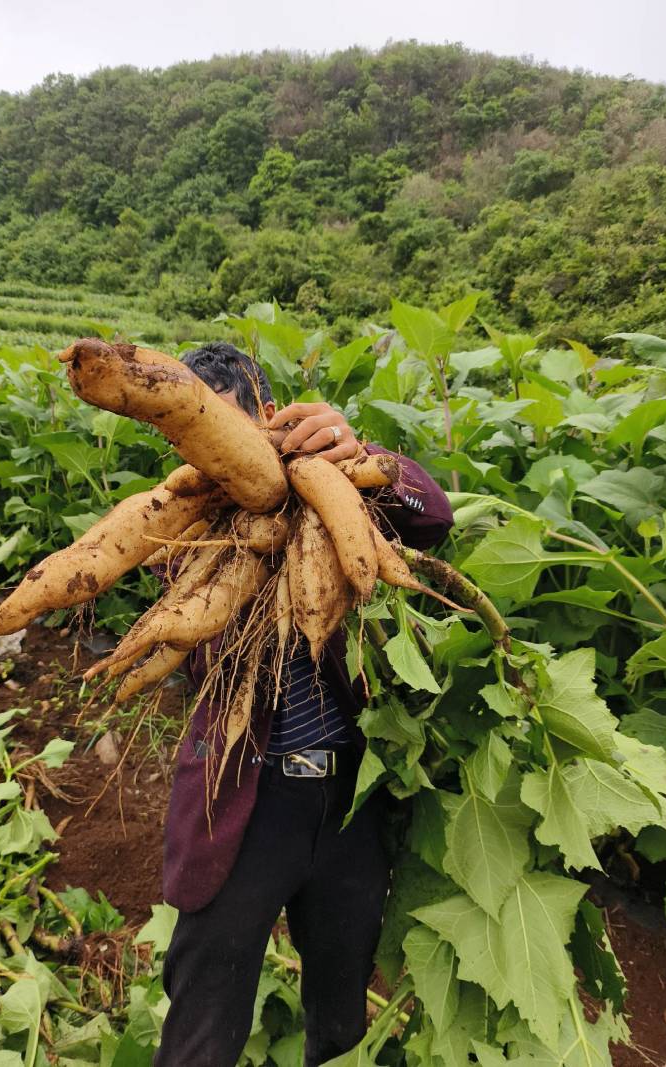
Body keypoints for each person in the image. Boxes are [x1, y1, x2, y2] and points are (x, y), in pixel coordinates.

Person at [153, 342, 453, 1067]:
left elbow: (433, 517)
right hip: (243, 800)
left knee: (342, 1021)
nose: (215, 458)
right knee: (201, 1032)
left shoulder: (337, 482)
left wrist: (353, 459)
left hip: (347, 804)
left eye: (226, 433)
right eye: (193, 439)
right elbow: (189, 637)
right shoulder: (182, 525)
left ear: (266, 416)